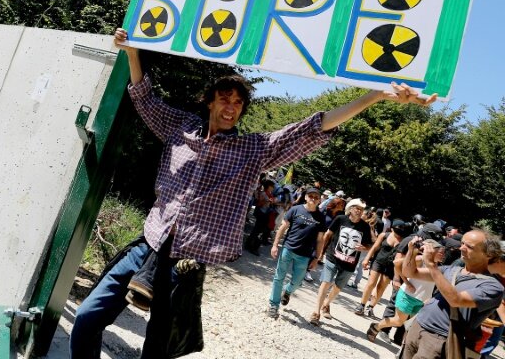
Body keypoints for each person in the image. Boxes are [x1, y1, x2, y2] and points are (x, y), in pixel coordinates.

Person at [69, 28, 437, 358]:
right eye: (224, 99)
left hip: (184, 265)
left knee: (157, 350)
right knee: (86, 318)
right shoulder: (179, 128)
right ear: (209, 100)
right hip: (146, 245)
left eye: (238, 103)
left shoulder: (253, 150)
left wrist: (374, 96)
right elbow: (145, 99)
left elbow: (311, 128)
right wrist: (132, 51)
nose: (231, 107)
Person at [399, 229, 504, 359]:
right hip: (417, 327)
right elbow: (410, 273)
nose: (461, 248)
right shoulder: (451, 270)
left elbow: (455, 300)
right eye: (462, 243)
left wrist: (432, 265)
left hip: (439, 339)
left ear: (488, 254)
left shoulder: (493, 287)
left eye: (469, 246)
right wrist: (411, 251)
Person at [366, 236, 446, 342]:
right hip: (407, 295)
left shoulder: (437, 266)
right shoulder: (420, 259)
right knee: (398, 321)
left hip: (421, 300)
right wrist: (406, 282)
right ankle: (376, 327)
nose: (443, 255)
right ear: (432, 251)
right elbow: (396, 263)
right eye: (441, 253)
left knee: (412, 326)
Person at [310, 198, 373, 326]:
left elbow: (370, 245)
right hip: (332, 257)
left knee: (338, 288)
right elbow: (327, 235)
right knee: (325, 283)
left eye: (362, 210)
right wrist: (320, 253)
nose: (360, 212)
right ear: (350, 209)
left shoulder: (365, 226)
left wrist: (364, 248)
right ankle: (316, 312)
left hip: (350, 263)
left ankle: (326, 304)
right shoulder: (340, 219)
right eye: (357, 208)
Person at [266, 186, 326, 319]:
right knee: (278, 278)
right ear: (305, 197)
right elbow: (282, 228)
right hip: (288, 249)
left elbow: (320, 240)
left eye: (316, 197)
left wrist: (317, 257)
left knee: (297, 282)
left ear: (319, 200)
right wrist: (275, 245)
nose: (313, 199)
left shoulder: (321, 217)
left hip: (304, 255)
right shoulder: (295, 209)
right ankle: (273, 305)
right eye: (311, 196)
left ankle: (287, 292)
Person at [355, 221, 408, 317]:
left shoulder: (403, 240)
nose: (398, 234)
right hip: (378, 261)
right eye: (397, 231)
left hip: (391, 266)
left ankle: (371, 307)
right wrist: (366, 259)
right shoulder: (384, 235)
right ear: (392, 229)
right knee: (371, 283)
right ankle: (361, 305)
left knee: (381, 287)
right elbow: (374, 247)